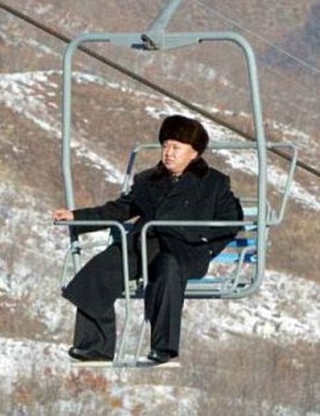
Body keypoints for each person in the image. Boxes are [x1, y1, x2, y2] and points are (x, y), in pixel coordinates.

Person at [53, 114, 243, 364]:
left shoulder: (213, 183)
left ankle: (163, 347)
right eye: (165, 146)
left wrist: (204, 245)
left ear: (194, 153)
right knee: (99, 270)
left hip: (184, 251)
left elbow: (230, 222)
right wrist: (77, 217)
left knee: (168, 270)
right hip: (144, 245)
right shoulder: (148, 181)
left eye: (176, 147)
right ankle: (95, 345)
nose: (169, 153)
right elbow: (118, 210)